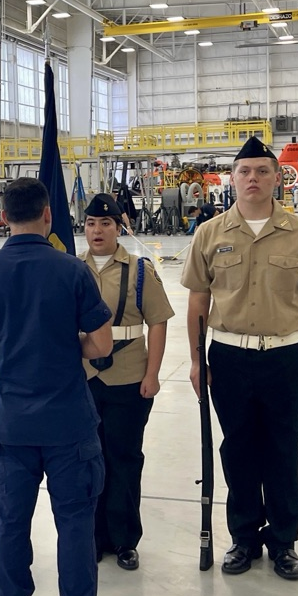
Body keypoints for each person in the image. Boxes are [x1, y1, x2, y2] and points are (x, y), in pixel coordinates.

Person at [0, 178, 118, 596]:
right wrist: (66, 350)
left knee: (11, 520)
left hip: (10, 424)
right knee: (74, 520)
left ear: (2, 219)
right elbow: (103, 345)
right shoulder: (72, 271)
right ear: (49, 215)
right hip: (67, 420)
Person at [182, 137, 298, 581]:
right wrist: (196, 361)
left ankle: (284, 541)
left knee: (284, 452)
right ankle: (245, 538)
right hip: (229, 359)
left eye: (262, 171)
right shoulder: (209, 233)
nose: (253, 178)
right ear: (232, 179)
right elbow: (198, 301)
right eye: (245, 171)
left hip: (287, 358)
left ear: (276, 178)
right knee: (238, 451)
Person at [80, 194, 174, 571]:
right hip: (85, 378)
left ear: (119, 228)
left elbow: (159, 320)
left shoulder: (139, 271)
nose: (97, 230)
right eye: (90, 224)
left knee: (124, 459)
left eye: (105, 224)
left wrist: (152, 373)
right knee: (88, 460)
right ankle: (93, 536)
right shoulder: (72, 269)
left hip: (129, 377)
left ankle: (124, 540)